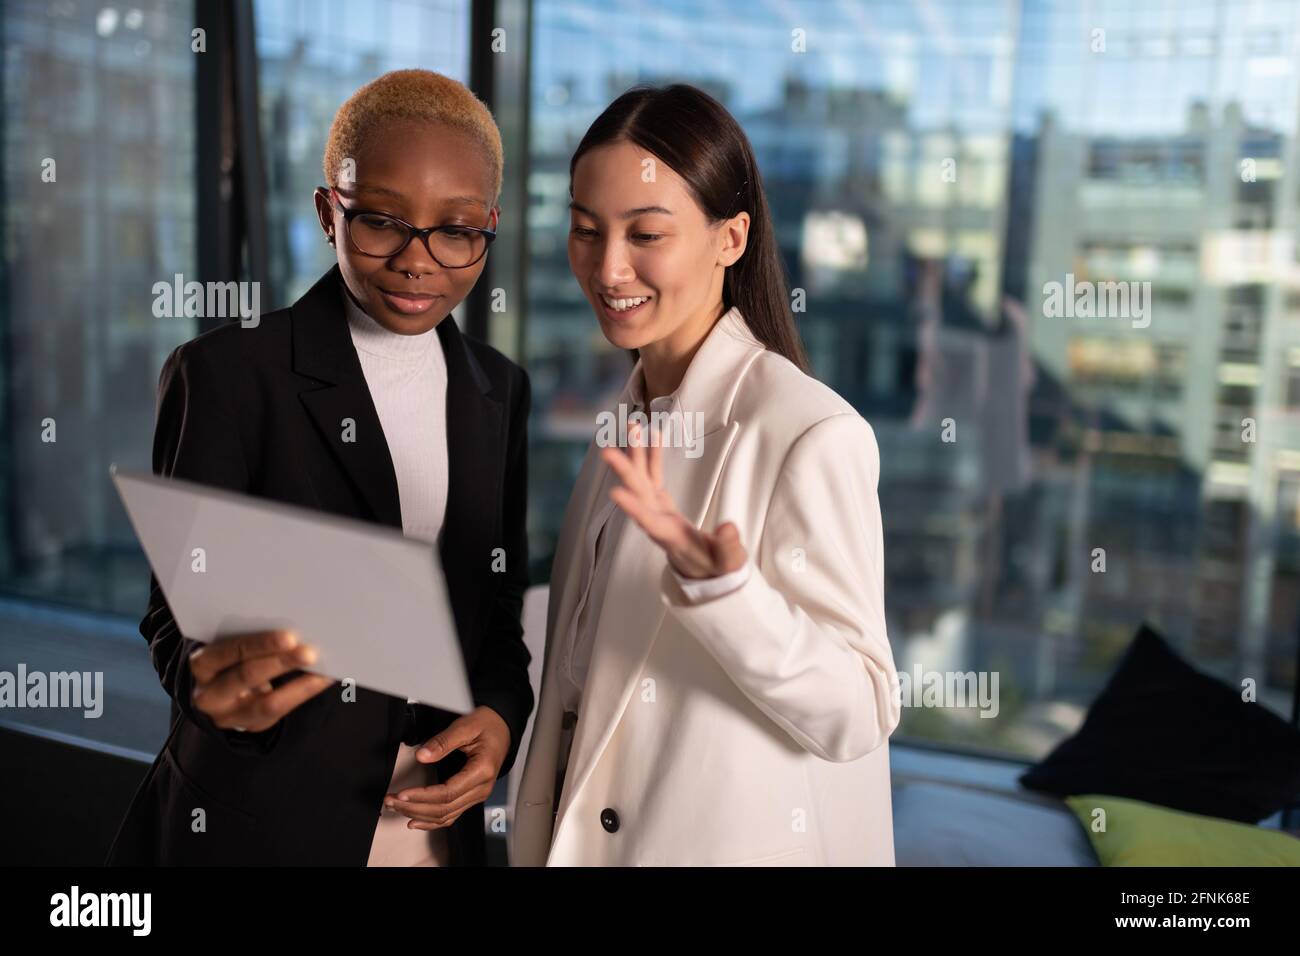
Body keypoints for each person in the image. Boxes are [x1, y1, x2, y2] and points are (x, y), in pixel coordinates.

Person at [107, 69, 533, 866]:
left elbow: (496, 599)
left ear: (490, 227)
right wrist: (209, 687)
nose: (418, 261)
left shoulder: (499, 388)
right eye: (380, 222)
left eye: (457, 230)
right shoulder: (228, 375)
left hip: (433, 826)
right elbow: (175, 617)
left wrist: (503, 715)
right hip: (262, 822)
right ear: (326, 212)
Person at [511, 84, 901, 866]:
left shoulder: (810, 433)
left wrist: (729, 596)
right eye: (585, 231)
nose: (608, 266)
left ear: (731, 239)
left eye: (645, 233)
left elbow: (859, 710)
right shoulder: (625, 421)